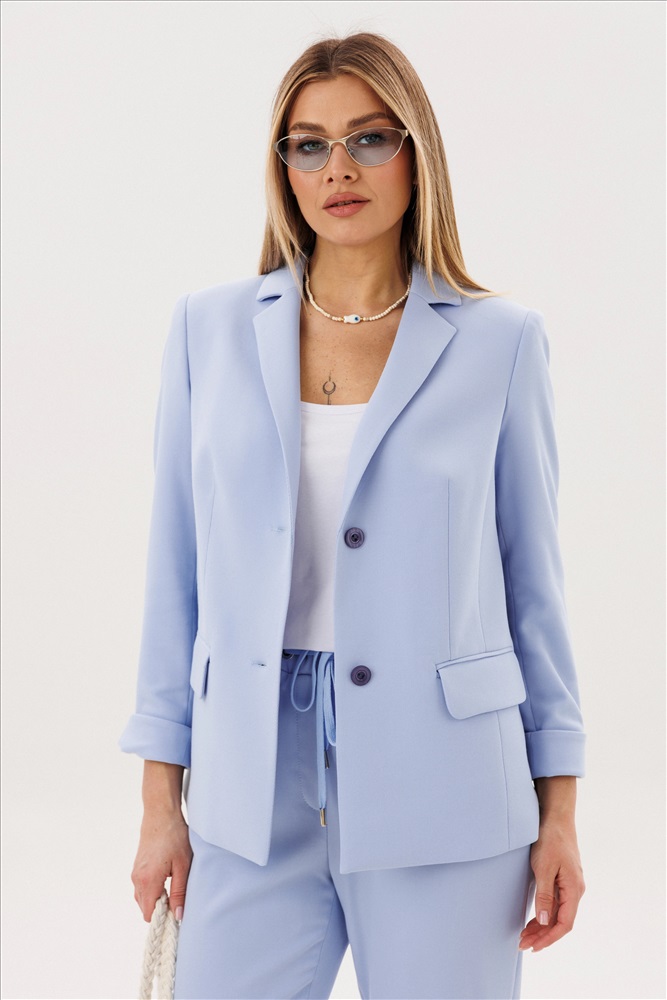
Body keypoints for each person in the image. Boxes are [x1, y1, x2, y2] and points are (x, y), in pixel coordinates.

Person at [119, 31, 586, 1000]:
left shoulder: (499, 344)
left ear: (417, 154)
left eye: (370, 138)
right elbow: (175, 573)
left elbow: (533, 586)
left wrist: (561, 810)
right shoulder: (208, 330)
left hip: (447, 783)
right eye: (308, 144)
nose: (338, 168)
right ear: (283, 168)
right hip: (251, 780)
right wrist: (161, 801)